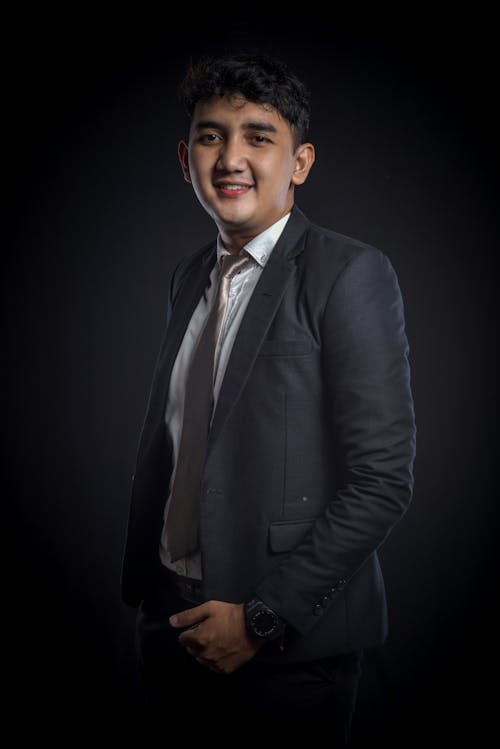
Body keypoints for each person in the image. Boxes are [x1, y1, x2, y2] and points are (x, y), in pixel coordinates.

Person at [121, 52, 416, 742]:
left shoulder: (351, 274)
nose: (230, 157)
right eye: (210, 134)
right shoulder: (189, 274)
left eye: (258, 136)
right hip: (170, 627)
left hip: (285, 650)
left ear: (301, 161)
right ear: (184, 156)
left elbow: (381, 480)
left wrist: (259, 620)